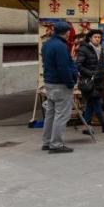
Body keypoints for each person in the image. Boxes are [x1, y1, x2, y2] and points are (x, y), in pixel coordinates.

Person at [41, 21, 78, 153]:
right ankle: (56, 143)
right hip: (60, 84)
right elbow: (63, 67)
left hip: (49, 82)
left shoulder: (47, 44)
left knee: (50, 114)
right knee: (61, 115)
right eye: (69, 31)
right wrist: (70, 82)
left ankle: (46, 141)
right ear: (66, 32)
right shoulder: (61, 46)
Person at [75, 29, 104, 134]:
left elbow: (100, 65)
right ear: (90, 38)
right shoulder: (84, 49)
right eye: (95, 37)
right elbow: (78, 65)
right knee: (96, 103)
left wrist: (103, 73)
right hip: (89, 81)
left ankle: (87, 127)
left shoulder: (100, 49)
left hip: (98, 81)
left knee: (91, 104)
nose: (98, 39)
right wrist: (90, 73)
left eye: (99, 37)